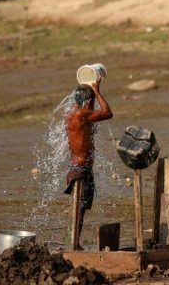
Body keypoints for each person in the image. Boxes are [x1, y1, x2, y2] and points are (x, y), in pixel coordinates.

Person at [63, 81, 113, 250]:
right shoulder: (82, 114)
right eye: (91, 99)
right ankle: (74, 243)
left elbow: (90, 114)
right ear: (87, 101)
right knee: (80, 209)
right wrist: (98, 93)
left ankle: (74, 241)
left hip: (76, 166)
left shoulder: (71, 113)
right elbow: (107, 113)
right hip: (82, 168)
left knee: (79, 207)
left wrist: (92, 92)